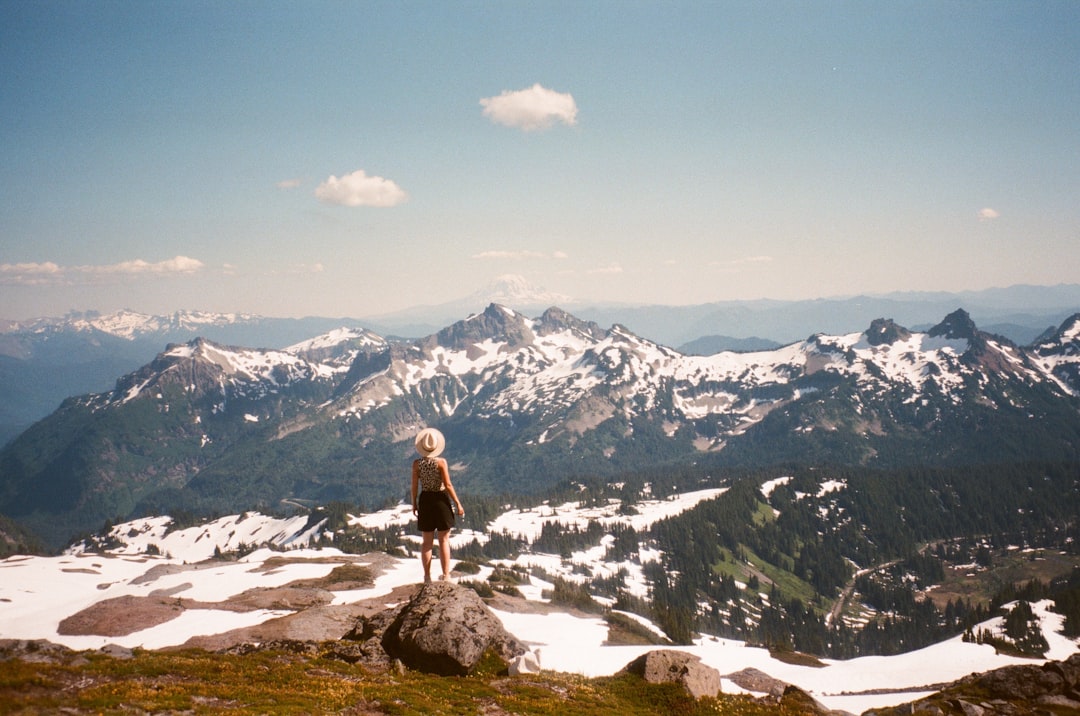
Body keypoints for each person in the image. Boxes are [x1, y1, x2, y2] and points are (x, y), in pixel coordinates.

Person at [410, 427, 464, 583]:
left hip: (425, 499)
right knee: (443, 540)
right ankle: (446, 575)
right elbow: (447, 484)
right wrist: (457, 503)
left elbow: (414, 486)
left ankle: (427, 577)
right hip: (441, 500)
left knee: (427, 542)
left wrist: (414, 503)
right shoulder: (441, 462)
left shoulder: (416, 464)